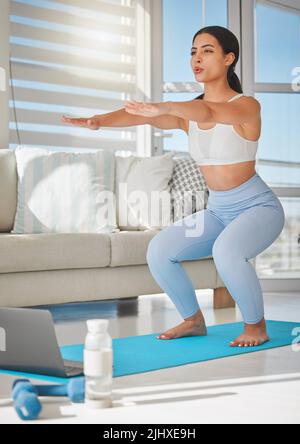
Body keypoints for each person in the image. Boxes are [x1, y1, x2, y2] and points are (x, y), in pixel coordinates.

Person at [61, 25, 285, 348]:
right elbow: (140, 117)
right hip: (219, 211)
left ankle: (256, 326)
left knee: (227, 251)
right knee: (160, 250)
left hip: (258, 208)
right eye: (193, 52)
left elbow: (209, 110)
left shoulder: (246, 106)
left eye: (207, 50)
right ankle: (193, 319)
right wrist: (99, 120)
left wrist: (166, 107)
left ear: (228, 59)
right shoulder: (187, 115)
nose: (197, 58)